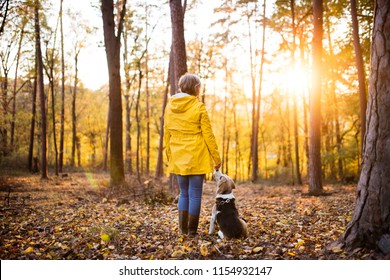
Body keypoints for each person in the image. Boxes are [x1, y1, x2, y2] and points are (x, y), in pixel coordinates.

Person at [164, 73, 222, 235]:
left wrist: (170, 156)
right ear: (196, 88)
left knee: (184, 193)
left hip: (178, 155)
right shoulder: (199, 107)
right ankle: (191, 231)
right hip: (197, 155)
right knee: (195, 194)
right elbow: (208, 135)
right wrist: (216, 158)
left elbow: (166, 134)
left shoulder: (170, 107)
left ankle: (183, 230)